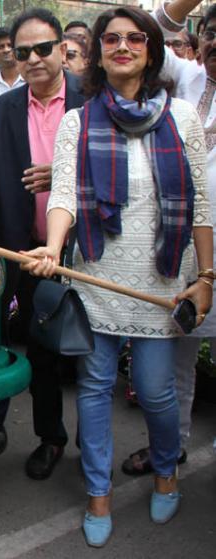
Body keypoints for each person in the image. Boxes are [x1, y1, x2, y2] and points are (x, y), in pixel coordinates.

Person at [22, 6, 211, 546]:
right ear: (98, 54)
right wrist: (53, 247)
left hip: (164, 283)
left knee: (155, 392)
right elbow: (63, 195)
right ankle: (98, 493)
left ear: (152, 51)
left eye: (135, 38)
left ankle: (167, 472)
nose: (122, 46)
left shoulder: (182, 117)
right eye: (111, 39)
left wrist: (207, 277)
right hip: (96, 279)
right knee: (95, 388)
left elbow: (200, 206)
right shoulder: (78, 122)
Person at [0, 9, 85, 468]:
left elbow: (118, 170)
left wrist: (66, 174)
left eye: (43, 49)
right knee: (40, 351)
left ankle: (95, 447)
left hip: (89, 252)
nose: (32, 59)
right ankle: (49, 439)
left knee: (96, 359)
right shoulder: (3, 109)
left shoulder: (94, 99)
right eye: (22, 51)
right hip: (30, 253)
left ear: (63, 49)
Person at [118, 0, 215, 478]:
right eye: (212, 33)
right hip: (181, 251)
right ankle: (170, 450)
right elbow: (152, 27)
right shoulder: (189, 80)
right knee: (176, 364)